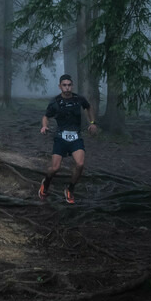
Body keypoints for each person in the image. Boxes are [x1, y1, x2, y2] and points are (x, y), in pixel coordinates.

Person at [39, 74, 97, 204]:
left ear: (72, 85)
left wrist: (92, 122)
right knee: (55, 168)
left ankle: (70, 189)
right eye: (64, 85)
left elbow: (88, 107)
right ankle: (46, 183)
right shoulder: (55, 102)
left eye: (69, 85)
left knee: (80, 164)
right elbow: (46, 116)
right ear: (60, 87)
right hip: (60, 137)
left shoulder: (79, 99)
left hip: (76, 136)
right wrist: (44, 126)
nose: (67, 87)